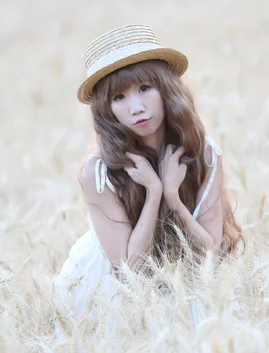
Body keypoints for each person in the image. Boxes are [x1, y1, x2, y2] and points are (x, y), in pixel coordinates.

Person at [54, 24, 243, 336]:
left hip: (189, 278)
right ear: (106, 109)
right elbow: (128, 271)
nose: (136, 107)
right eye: (119, 97)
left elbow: (210, 253)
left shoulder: (205, 154)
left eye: (144, 88)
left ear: (166, 89)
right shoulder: (97, 173)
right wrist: (154, 192)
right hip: (115, 291)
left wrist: (174, 197)